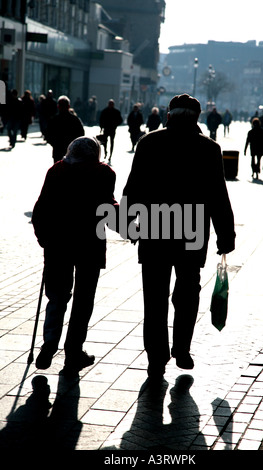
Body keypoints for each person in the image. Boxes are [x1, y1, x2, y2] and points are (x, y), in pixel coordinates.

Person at [122, 93, 236, 380]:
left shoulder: (149, 143)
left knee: (155, 297)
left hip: (154, 230)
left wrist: (126, 223)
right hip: (192, 232)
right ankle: (182, 350)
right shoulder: (208, 148)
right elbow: (218, 195)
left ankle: (156, 357)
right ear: (196, 118)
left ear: (169, 115)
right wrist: (226, 234)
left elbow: (133, 187)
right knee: (187, 293)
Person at [31, 136, 119, 376]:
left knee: (57, 297)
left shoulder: (56, 170)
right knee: (83, 299)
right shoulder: (103, 173)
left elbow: (41, 209)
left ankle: (49, 344)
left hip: (57, 245)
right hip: (89, 245)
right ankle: (73, 351)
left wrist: (44, 239)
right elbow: (107, 208)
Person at [46, 95, 85, 162]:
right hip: (71, 151)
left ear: (58, 106)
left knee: (58, 170)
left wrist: (55, 144)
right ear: (69, 106)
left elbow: (48, 134)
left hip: (58, 150)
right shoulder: (75, 120)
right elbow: (81, 135)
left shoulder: (54, 120)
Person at [99, 99, 123, 164]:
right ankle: (106, 152)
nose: (110, 105)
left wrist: (115, 124)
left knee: (111, 142)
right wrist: (101, 127)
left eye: (111, 104)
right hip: (106, 129)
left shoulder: (116, 112)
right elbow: (101, 119)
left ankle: (110, 155)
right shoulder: (105, 111)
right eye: (110, 104)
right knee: (105, 142)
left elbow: (120, 120)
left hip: (112, 129)